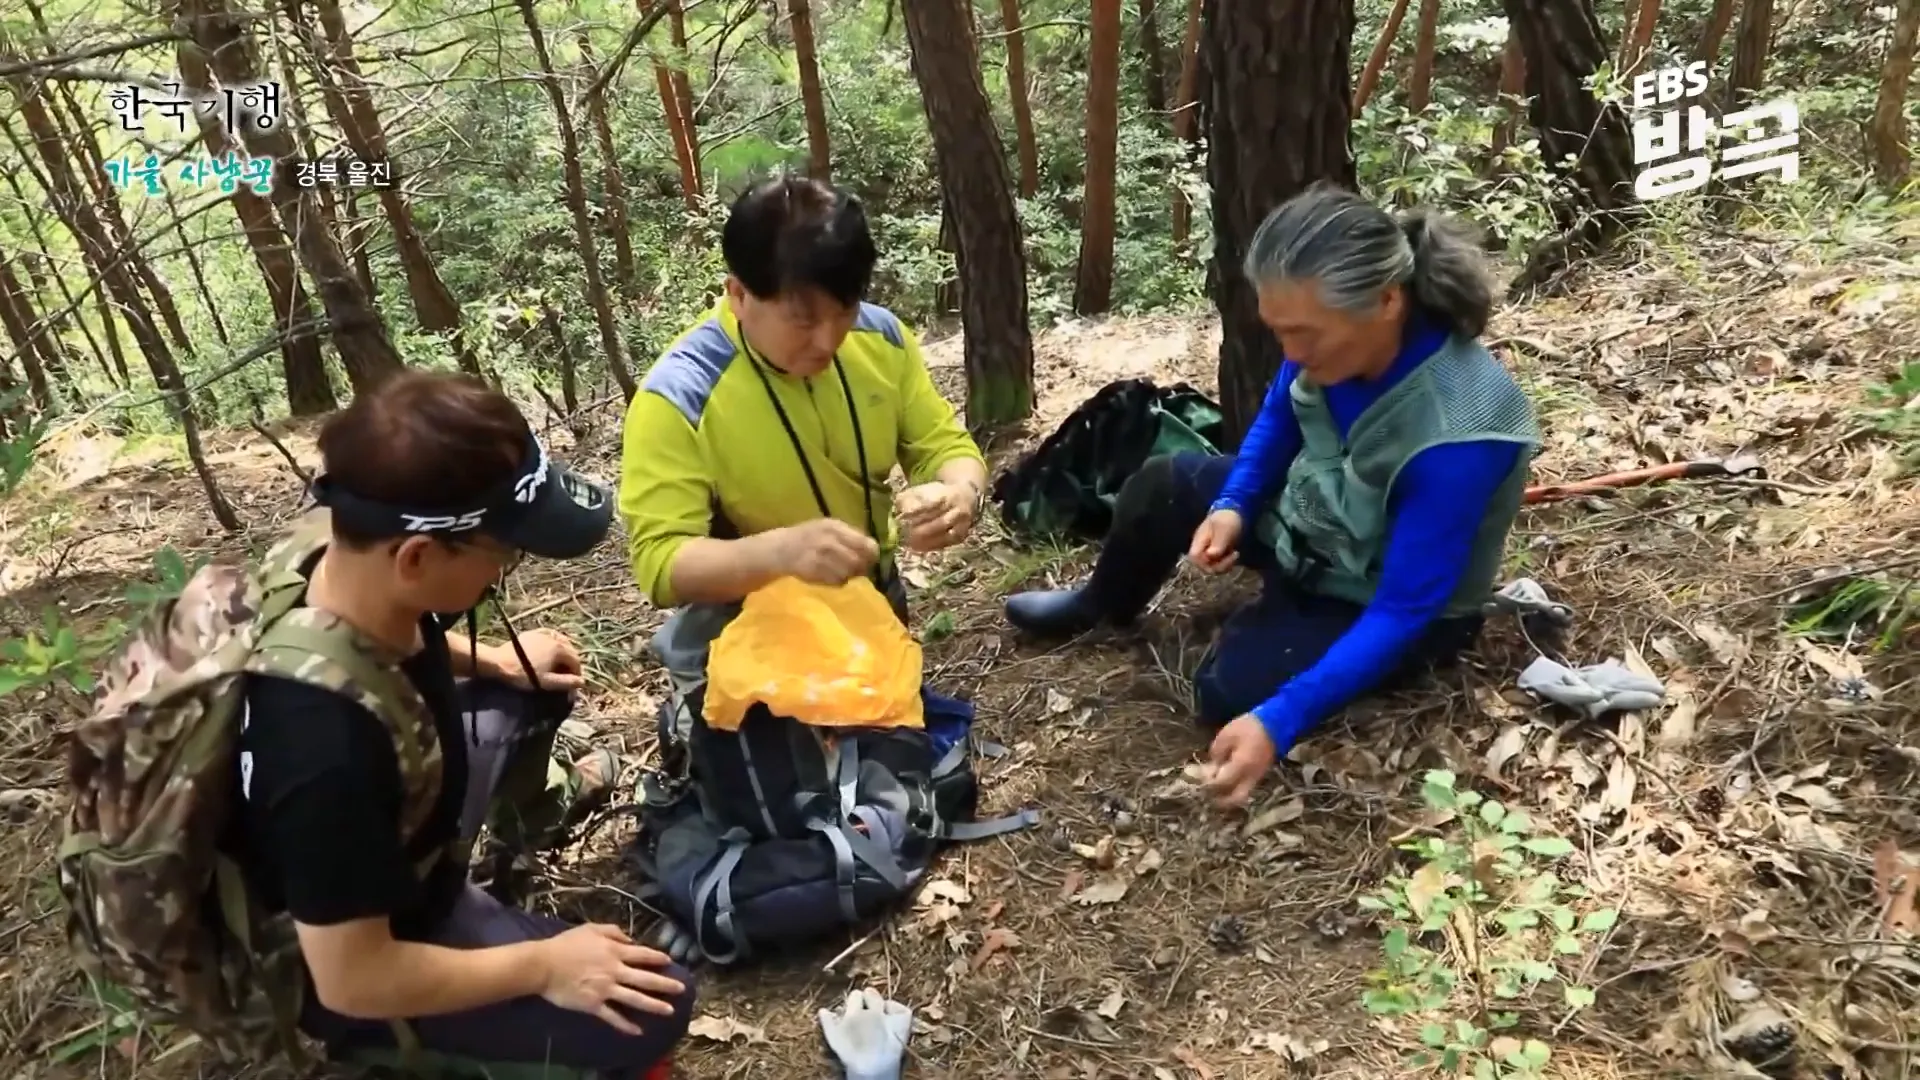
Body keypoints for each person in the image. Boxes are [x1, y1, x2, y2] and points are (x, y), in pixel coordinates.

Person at [1003, 184, 1542, 811]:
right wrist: (1235, 503)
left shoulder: (1460, 430)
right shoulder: (1325, 338)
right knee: (1164, 483)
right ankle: (1101, 604)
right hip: (1313, 521)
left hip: (1379, 595)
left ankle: (1284, 622)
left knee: (1229, 695)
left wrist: (1281, 718)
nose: (1291, 354)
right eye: (1279, 331)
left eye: (1304, 335)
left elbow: (1406, 606)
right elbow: (1278, 419)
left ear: (1387, 300)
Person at [236, 371, 694, 1078]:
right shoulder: (322, 747)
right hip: (359, 947)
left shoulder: (343, 537)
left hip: (404, 820)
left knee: (536, 689)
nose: (506, 570)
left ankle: (530, 817)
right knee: (654, 1008)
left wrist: (496, 662)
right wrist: (544, 964)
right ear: (416, 558)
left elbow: (384, 633)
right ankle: (390, 1053)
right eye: (503, 555)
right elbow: (351, 977)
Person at [618, 175, 989, 624]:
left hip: (873, 598)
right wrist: (778, 553)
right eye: (803, 319)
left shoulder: (882, 338)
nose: (829, 340)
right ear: (738, 295)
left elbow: (943, 445)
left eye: (845, 310)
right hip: (749, 625)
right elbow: (660, 562)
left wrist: (961, 492)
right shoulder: (680, 396)